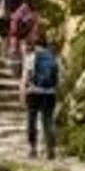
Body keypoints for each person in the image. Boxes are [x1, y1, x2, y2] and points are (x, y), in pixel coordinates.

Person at [22, 28, 60, 159]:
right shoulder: (53, 57)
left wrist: (22, 93)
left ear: (34, 44)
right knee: (48, 120)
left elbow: (25, 77)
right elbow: (59, 77)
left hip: (34, 92)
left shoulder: (31, 57)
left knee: (32, 120)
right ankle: (51, 149)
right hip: (50, 93)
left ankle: (33, 149)